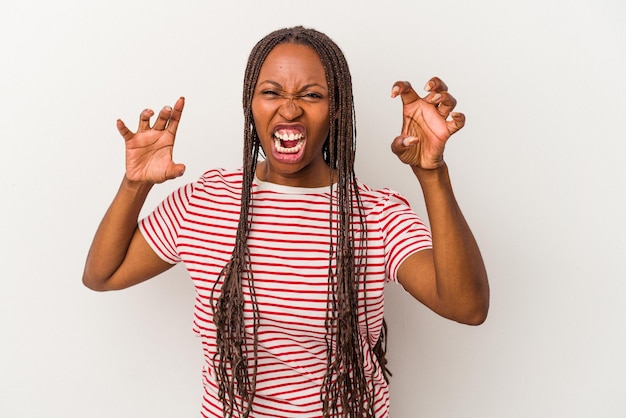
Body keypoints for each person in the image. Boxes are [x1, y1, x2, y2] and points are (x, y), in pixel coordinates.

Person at [82, 26, 489, 418]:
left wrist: (432, 174)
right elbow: (102, 275)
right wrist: (135, 185)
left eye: (312, 95)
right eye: (271, 92)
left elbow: (467, 307)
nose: (290, 109)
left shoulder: (376, 214)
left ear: (336, 111)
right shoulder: (204, 202)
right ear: (251, 105)